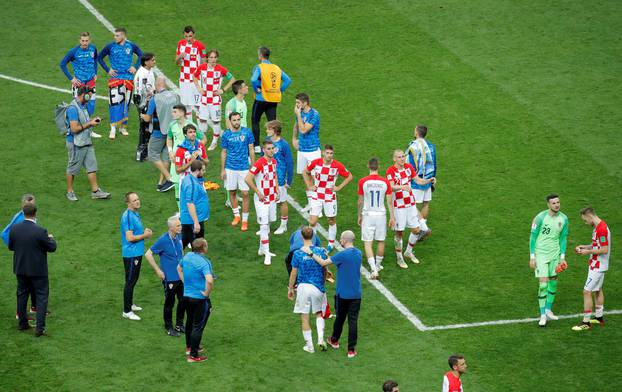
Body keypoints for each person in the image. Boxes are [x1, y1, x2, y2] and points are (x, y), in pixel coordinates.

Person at [305, 230, 362, 358]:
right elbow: (342, 264)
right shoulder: (358, 253)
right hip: (356, 294)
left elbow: (323, 263)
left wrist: (311, 254)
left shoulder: (342, 255)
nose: (340, 241)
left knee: (340, 318)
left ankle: (334, 340)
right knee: (353, 321)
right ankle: (351, 350)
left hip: (342, 294)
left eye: (341, 239)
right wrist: (327, 255)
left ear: (345, 240)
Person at [8, 204, 57, 337]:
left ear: (24, 213)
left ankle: (22, 324)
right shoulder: (40, 231)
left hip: (20, 269)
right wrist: (51, 238)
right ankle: (39, 329)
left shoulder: (15, 229)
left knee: (22, 295)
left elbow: (11, 246)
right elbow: (52, 247)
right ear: (35, 213)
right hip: (38, 271)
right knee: (41, 298)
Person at [386, 150, 434, 268]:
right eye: (399, 157)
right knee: (399, 233)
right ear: (394, 159)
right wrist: (402, 187)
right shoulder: (390, 171)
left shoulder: (408, 167)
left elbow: (418, 180)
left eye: (403, 156)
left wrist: (429, 180)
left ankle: (408, 252)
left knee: (416, 230)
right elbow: (391, 187)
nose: (402, 159)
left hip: (410, 204)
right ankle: (399, 258)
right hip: (398, 206)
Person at [302, 145, 353, 251]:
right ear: (323, 153)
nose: (329, 155)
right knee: (312, 222)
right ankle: (313, 243)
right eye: (327, 153)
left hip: (330, 197)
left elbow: (349, 176)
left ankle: (331, 243)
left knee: (331, 220)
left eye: (331, 153)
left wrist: (339, 187)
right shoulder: (316, 162)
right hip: (317, 195)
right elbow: (305, 172)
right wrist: (309, 185)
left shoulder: (337, 165)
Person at [65, 85, 111, 201]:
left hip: (86, 140)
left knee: (92, 166)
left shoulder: (83, 106)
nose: (90, 97)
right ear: (83, 95)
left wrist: (92, 121)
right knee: (73, 168)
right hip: (75, 143)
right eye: (88, 95)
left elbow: (85, 122)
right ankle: (69, 192)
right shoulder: (73, 109)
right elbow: (74, 129)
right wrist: (90, 124)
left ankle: (95, 191)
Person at [529, 193, 569, 327]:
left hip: (555, 254)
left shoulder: (564, 219)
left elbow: (563, 238)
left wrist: (562, 257)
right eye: (553, 203)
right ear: (548, 204)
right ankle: (542, 315)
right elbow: (533, 238)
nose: (557, 205)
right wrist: (532, 257)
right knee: (543, 284)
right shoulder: (540, 218)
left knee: (553, 282)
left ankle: (548, 309)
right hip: (541, 254)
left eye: (558, 202)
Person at [287, 227, 329, 353]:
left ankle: (310, 346)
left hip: (303, 287)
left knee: (304, 317)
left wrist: (290, 288)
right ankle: (320, 339)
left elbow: (293, 274)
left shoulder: (298, 253)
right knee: (318, 314)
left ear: (301, 236)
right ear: (313, 236)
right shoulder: (321, 251)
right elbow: (325, 268)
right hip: (318, 287)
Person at [98, 27, 142, 139]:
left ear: (123, 36)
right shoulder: (110, 46)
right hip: (115, 79)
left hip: (128, 79)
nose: (115, 37)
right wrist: (108, 70)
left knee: (126, 104)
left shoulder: (131, 45)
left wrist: (135, 67)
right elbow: (99, 57)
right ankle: (112, 129)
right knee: (114, 103)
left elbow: (141, 55)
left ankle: (123, 127)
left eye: (117, 35)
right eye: (115, 35)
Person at [144, 214, 186, 336]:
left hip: (181, 276)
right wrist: (158, 270)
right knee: (170, 303)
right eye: (178, 226)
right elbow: (148, 254)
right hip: (170, 278)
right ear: (171, 228)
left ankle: (179, 325)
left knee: (183, 301)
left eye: (180, 225)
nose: (181, 227)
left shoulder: (179, 236)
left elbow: (181, 252)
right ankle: (169, 327)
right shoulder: (163, 240)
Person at [572, 207, 610, 331]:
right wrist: (585, 246)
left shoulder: (602, 229)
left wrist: (587, 251)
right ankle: (599, 317)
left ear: (589, 216)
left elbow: (604, 249)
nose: (585, 223)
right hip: (596, 264)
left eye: (585, 220)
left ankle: (586, 322)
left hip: (598, 266)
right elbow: (597, 245)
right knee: (598, 290)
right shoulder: (598, 227)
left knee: (587, 291)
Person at [140, 76, 180, 192]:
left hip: (159, 132)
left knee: (153, 154)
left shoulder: (155, 98)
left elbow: (147, 119)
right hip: (172, 131)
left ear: (157, 86)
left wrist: (142, 116)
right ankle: (161, 183)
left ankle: (169, 178)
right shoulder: (175, 96)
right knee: (166, 156)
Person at [177, 238, 214, 363]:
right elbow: (209, 280)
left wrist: (185, 282)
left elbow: (179, 269)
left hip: (186, 296)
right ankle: (193, 355)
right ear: (203, 248)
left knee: (189, 322)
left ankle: (190, 347)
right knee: (198, 326)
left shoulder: (187, 256)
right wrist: (206, 293)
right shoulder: (205, 262)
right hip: (199, 299)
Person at [250, 46, 292, 153]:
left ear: (260, 56)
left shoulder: (259, 67)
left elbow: (253, 79)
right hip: (273, 99)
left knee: (255, 120)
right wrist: (280, 90)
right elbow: (288, 80)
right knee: (272, 123)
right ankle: (273, 145)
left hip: (261, 98)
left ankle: (257, 146)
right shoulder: (276, 68)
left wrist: (256, 89)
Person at [2, 194, 38, 319]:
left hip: (28, 257)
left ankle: (34, 307)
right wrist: (15, 247)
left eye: (33, 204)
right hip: (24, 259)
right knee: (24, 288)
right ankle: (20, 313)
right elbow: (4, 233)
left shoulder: (28, 215)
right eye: (30, 204)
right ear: (24, 205)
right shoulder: (19, 218)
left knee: (32, 284)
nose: (33, 206)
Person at [358, 157, 394, 278]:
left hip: (368, 215)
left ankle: (374, 269)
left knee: (368, 242)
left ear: (368, 166)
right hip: (381, 215)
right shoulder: (385, 182)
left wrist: (359, 215)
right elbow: (389, 202)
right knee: (381, 240)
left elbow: (360, 201)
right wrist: (392, 217)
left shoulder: (363, 181)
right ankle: (378, 265)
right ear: (379, 166)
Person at [59, 31, 100, 137]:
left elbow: (96, 59)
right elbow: (62, 64)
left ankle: (88, 130)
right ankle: (70, 128)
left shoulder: (93, 48)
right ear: (79, 40)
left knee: (91, 105)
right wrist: (71, 78)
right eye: (83, 40)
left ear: (89, 40)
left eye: (86, 41)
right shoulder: (74, 52)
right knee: (77, 107)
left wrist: (95, 72)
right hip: (79, 84)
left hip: (90, 82)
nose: (85, 43)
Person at [193, 49, 235, 151]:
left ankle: (214, 141)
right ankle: (202, 140)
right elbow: (194, 76)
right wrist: (199, 88)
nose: (213, 60)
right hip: (204, 99)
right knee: (202, 120)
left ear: (217, 58)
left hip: (215, 100)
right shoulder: (202, 67)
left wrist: (223, 90)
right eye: (211, 57)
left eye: (215, 57)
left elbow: (233, 79)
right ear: (207, 58)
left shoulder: (220, 69)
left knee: (216, 121)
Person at [120, 192, 153, 321]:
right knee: (130, 281)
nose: (137, 202)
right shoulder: (127, 216)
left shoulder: (135, 213)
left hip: (136, 253)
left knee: (133, 280)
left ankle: (130, 304)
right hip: (131, 254)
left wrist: (144, 232)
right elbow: (129, 238)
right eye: (134, 200)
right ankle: (126, 311)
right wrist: (145, 236)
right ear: (128, 203)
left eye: (138, 199)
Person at [246, 140, 279, 265]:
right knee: (264, 225)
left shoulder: (274, 161)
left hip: (271, 197)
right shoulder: (260, 163)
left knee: (269, 222)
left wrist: (277, 190)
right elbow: (248, 178)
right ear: (264, 150)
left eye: (272, 148)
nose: (271, 150)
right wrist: (258, 192)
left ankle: (261, 249)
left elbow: (274, 176)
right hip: (262, 199)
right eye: (269, 149)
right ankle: (267, 254)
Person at [221, 112, 255, 231]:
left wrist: (253, 167)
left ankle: (244, 220)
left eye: (238, 120)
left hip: (244, 168)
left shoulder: (247, 132)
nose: (237, 122)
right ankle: (236, 216)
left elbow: (251, 149)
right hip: (230, 168)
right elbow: (224, 152)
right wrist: (222, 169)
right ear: (230, 121)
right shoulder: (226, 135)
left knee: (245, 193)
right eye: (234, 120)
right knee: (232, 192)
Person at [167, 105, 205, 200]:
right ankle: (181, 211)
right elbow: (169, 138)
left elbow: (204, 139)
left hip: (189, 159)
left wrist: (196, 150)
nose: (172, 114)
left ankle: (192, 208)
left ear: (182, 113)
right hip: (176, 159)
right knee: (177, 185)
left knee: (192, 184)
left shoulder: (191, 126)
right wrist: (170, 151)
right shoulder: (172, 125)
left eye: (175, 112)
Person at [291, 93, 321, 209]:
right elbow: (296, 127)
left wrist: (298, 115)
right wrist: (294, 139)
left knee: (315, 178)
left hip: (313, 150)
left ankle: (317, 206)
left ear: (305, 103)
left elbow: (303, 130)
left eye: (298, 103)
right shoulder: (300, 112)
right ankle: (310, 203)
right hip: (302, 149)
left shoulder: (314, 114)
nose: (296, 105)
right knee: (305, 177)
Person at [266, 120, 294, 235]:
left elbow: (290, 162)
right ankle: (266, 225)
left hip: (280, 178)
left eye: (268, 129)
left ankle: (283, 225)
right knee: (268, 201)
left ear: (274, 130)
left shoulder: (284, 144)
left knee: (281, 202)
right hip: (268, 177)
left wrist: (289, 180)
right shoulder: (268, 142)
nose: (267, 131)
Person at [406, 125, 437, 224]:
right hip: (428, 179)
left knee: (411, 205)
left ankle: (422, 228)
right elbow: (433, 163)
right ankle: (423, 226)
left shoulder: (412, 146)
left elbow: (409, 164)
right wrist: (433, 178)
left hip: (416, 180)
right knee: (426, 203)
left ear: (416, 133)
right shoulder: (431, 146)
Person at [175, 25, 206, 119]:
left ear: (194, 35)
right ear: (183, 35)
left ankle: (200, 130)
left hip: (196, 80)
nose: (188, 38)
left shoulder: (200, 46)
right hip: (184, 80)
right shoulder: (180, 44)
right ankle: (190, 128)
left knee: (198, 105)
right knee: (187, 106)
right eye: (186, 36)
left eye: (190, 36)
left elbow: (204, 64)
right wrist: (180, 56)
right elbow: (176, 62)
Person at [180, 161, 210, 248]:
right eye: (203, 170)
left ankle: (174, 259)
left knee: (182, 244)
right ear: (197, 170)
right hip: (193, 221)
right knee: (198, 248)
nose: (204, 172)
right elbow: (190, 204)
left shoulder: (189, 178)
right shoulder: (191, 185)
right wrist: (196, 223)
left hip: (190, 219)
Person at [133, 53, 157, 161]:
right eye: (152, 60)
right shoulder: (141, 74)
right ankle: (140, 154)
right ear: (146, 62)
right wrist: (142, 107)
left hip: (149, 101)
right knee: (144, 128)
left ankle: (145, 152)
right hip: (144, 104)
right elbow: (138, 93)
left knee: (148, 128)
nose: (154, 62)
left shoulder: (149, 71)